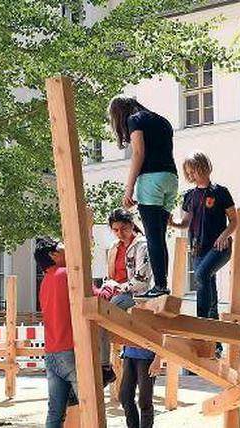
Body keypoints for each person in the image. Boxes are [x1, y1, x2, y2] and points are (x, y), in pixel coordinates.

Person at [109, 96, 176, 298]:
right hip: (170, 178)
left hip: (151, 180)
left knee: (153, 236)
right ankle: (162, 284)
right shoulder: (162, 121)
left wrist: (128, 189)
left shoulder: (134, 120)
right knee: (160, 237)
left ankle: (160, 286)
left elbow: (138, 153)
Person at [170, 151, 236, 321]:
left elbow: (234, 221)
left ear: (204, 168)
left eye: (194, 171)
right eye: (188, 172)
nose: (191, 175)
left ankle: (201, 321)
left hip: (219, 247)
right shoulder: (189, 196)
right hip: (197, 249)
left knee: (201, 276)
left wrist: (223, 236)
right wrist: (172, 223)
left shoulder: (220, 192)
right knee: (208, 283)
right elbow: (185, 223)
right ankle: (214, 336)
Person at [95, 209, 152, 385]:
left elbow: (142, 280)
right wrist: (108, 285)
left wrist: (119, 287)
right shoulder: (114, 247)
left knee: (105, 313)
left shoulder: (142, 245)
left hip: (134, 294)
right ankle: (99, 363)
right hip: (116, 291)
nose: (120, 233)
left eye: (124, 228)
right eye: (116, 230)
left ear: (132, 225)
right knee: (94, 311)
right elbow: (111, 275)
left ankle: (104, 366)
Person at [36, 239, 79, 428]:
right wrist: (110, 287)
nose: (68, 248)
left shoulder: (45, 281)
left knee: (55, 411)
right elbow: (94, 296)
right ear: (54, 255)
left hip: (52, 351)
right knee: (89, 403)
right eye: (63, 246)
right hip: (69, 350)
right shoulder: (66, 274)